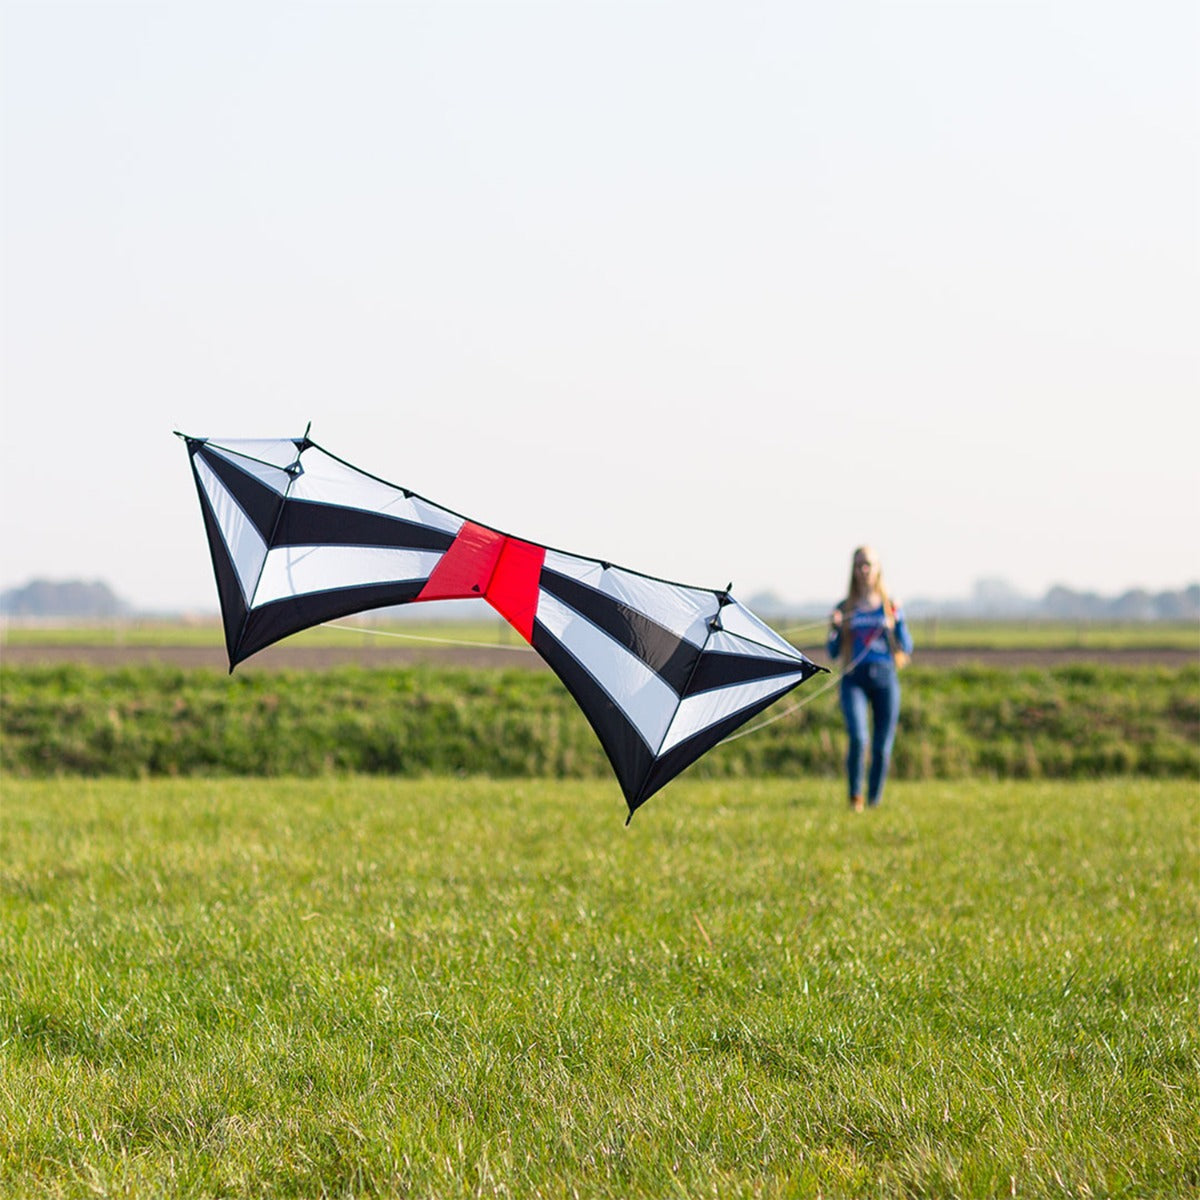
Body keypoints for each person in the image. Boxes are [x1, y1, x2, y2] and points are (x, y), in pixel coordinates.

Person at [827, 546, 913, 811]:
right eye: (859, 565)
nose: (864, 570)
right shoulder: (845, 607)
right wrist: (836, 628)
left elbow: (906, 647)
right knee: (858, 738)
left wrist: (896, 623)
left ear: (878, 570)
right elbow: (832, 652)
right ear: (853, 570)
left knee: (881, 746)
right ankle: (856, 797)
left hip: (886, 677)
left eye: (868, 565)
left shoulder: (890, 606)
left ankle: (874, 799)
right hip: (854, 678)